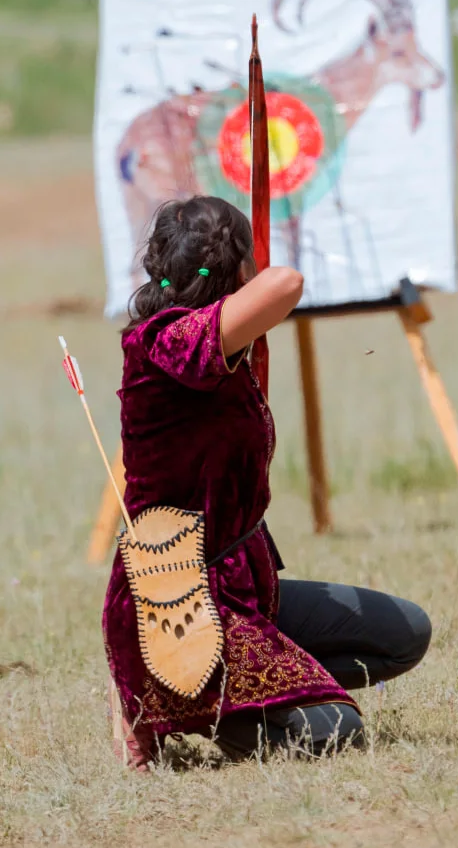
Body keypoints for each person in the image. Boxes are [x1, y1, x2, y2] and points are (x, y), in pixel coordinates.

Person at [103, 195, 431, 771]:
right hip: (181, 607)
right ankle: (175, 700)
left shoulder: (214, 345)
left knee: (404, 633)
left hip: (245, 592)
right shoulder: (162, 344)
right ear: (233, 270)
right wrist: (250, 275)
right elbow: (286, 282)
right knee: (333, 732)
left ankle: (252, 692)